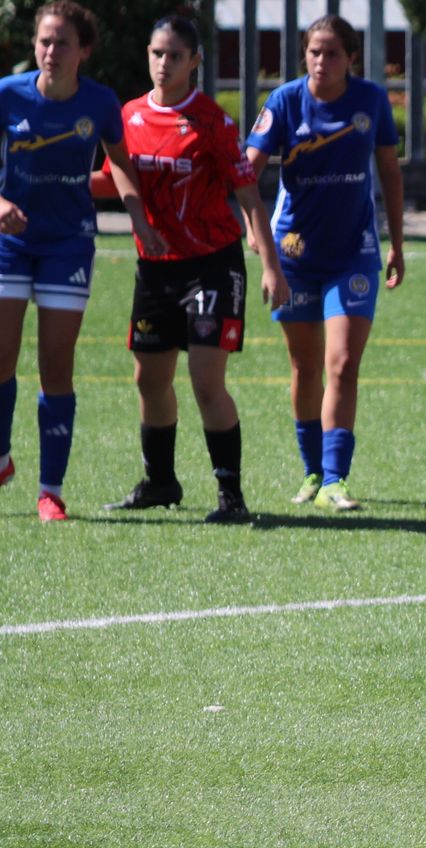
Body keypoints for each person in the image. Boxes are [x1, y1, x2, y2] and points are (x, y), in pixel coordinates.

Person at [96, 15, 289, 524]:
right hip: (155, 268)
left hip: (211, 266)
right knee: (149, 379)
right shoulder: (129, 116)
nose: (164, 64)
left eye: (175, 56)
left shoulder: (213, 123)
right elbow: (114, 172)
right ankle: (161, 481)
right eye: (157, 53)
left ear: (194, 62)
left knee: (206, 380)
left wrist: (270, 265)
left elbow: (247, 193)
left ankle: (231, 495)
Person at [0, 1, 165, 522]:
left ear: (83, 51)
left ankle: (51, 490)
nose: (51, 51)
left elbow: (119, 163)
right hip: (9, 242)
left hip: (68, 243)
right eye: (44, 41)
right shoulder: (7, 95)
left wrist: (139, 217)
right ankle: (1, 458)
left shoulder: (99, 102)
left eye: (62, 43)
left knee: (56, 363)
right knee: (1, 357)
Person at [245, 14, 404, 512]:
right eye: (314, 52)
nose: (322, 61)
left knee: (342, 363)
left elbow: (390, 173)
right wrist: (261, 245)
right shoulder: (284, 101)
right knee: (305, 365)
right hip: (293, 253)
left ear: (350, 58)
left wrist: (396, 240)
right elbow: (244, 174)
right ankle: (312, 471)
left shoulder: (371, 100)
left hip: (353, 252)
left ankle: (336, 478)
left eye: (332, 52)